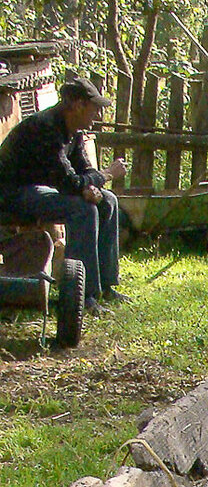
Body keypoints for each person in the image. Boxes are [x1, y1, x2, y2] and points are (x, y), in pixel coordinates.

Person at [0, 77, 129, 314]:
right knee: (82, 209)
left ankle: (107, 285)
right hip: (12, 195)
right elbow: (70, 182)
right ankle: (83, 294)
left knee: (108, 201)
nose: (97, 116)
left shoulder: (73, 130)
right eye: (95, 109)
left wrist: (94, 185)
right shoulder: (46, 128)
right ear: (78, 105)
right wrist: (106, 175)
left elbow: (83, 170)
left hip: (41, 190)